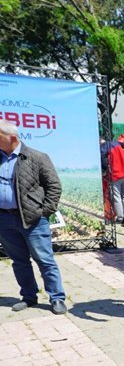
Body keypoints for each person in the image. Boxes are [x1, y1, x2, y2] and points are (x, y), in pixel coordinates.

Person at [0, 120, 67, 314]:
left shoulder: (37, 157)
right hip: (4, 220)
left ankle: (56, 298)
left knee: (45, 260)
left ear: (11, 138)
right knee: (19, 261)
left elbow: (54, 186)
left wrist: (43, 212)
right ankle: (29, 297)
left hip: (32, 220)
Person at [100, 134, 124, 222]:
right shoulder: (116, 143)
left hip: (115, 174)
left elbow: (104, 162)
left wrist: (104, 171)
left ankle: (120, 217)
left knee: (116, 196)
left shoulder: (103, 148)